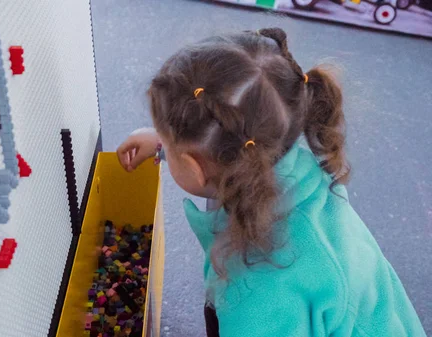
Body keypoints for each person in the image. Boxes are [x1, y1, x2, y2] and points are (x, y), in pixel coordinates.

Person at [117, 28, 426, 337]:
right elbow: (224, 140)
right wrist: (164, 142)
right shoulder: (289, 167)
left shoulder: (259, 291)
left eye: (170, 146)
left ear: (194, 166)